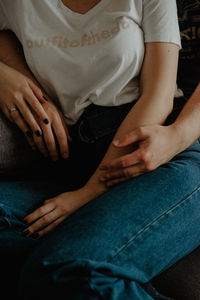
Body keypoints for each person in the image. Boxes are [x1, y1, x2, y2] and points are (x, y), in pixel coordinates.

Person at [0, 1, 200, 299]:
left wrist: (87, 194)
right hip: (75, 162)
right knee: (59, 268)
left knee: (65, 268)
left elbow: (159, 97)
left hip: (157, 156)